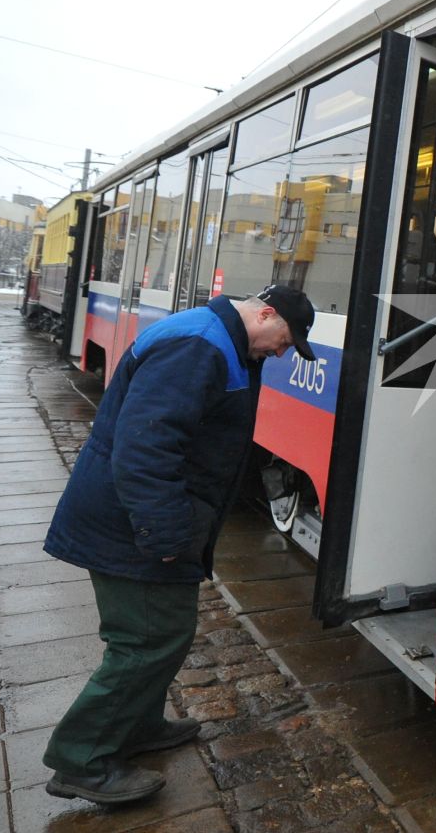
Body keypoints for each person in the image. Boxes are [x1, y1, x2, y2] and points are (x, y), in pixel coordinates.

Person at [40, 284, 316, 804]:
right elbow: (146, 450)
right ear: (266, 313)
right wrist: (165, 533)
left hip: (146, 518)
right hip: (132, 524)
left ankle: (135, 727)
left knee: (166, 630)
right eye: (286, 339)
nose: (283, 351)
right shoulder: (199, 347)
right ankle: (81, 758)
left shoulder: (215, 340)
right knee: (146, 640)